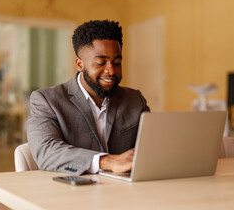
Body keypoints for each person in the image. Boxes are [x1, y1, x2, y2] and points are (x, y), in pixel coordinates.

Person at [27, 20, 150, 175]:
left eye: (117, 62)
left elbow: (153, 145)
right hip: (72, 192)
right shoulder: (46, 100)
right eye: (100, 63)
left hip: (127, 191)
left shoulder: (135, 100)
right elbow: (46, 152)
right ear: (80, 64)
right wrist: (108, 161)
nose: (111, 70)